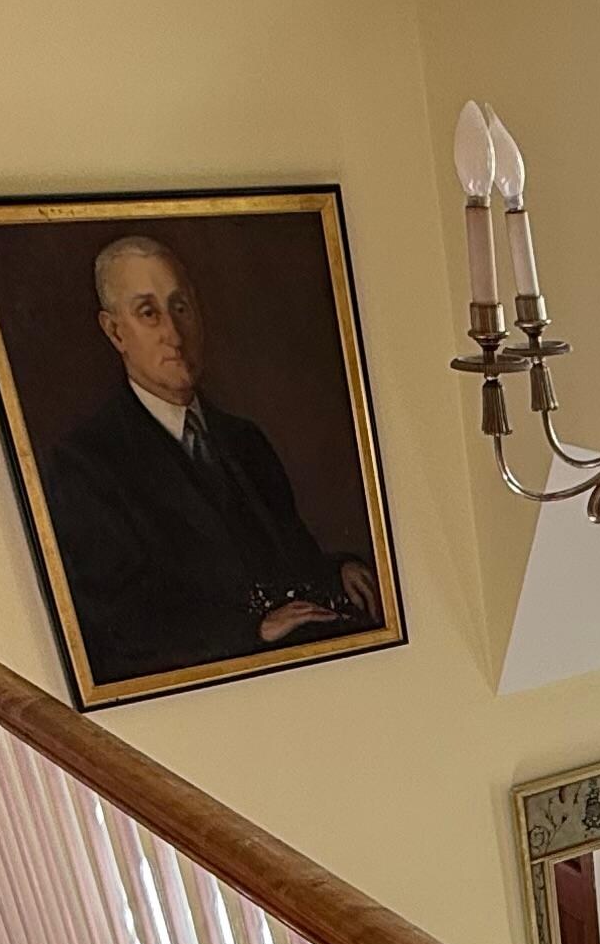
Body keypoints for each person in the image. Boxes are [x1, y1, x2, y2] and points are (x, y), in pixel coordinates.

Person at [39, 233, 372, 688]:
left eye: (180, 308)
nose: (173, 334)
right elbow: (119, 624)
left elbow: (287, 555)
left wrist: (337, 569)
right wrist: (252, 630)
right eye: (148, 313)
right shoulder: (85, 465)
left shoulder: (244, 440)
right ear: (115, 331)